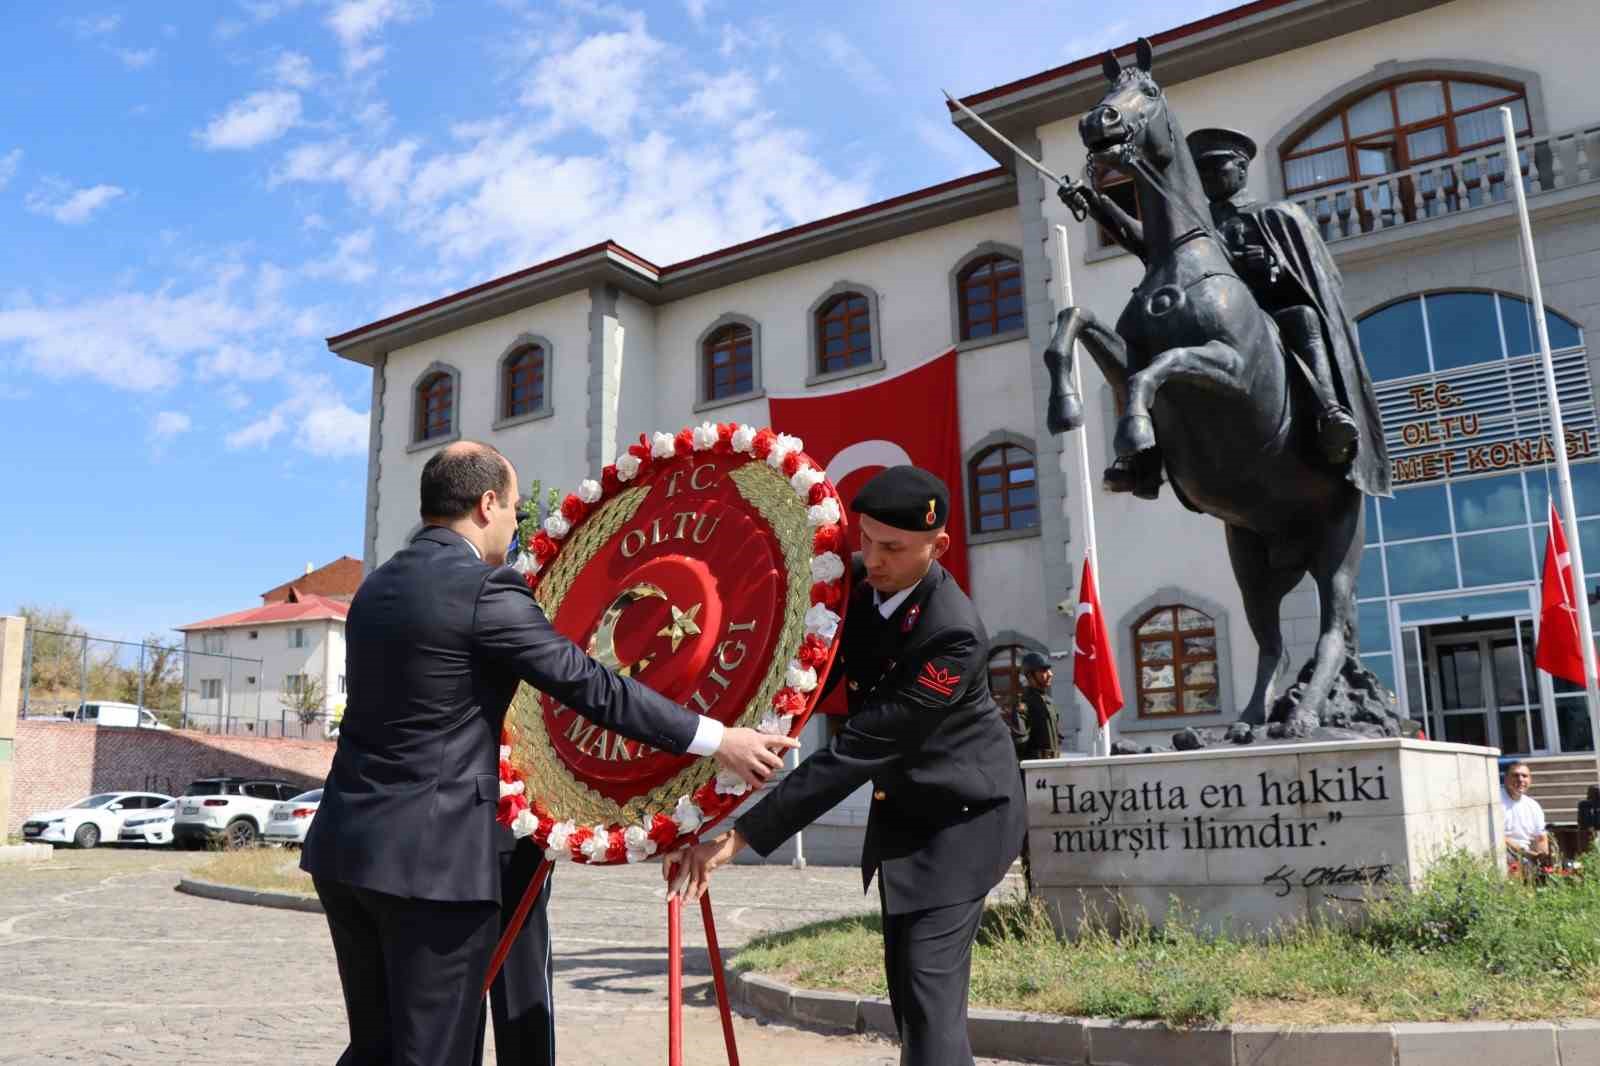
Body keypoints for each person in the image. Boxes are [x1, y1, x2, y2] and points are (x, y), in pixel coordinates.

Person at [301, 440, 797, 1066]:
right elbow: (592, 685)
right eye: (511, 508)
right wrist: (718, 738)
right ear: (486, 504)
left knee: (376, 1047)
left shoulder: (375, 589)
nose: (514, 524)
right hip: (431, 869)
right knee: (434, 1052)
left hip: (346, 851)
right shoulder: (482, 589)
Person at [665, 465, 1027, 1066]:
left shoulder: (952, 636)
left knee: (927, 995)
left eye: (893, 547)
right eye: (866, 540)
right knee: (913, 999)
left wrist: (739, 838)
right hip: (908, 814)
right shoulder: (861, 586)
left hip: (963, 821)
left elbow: (859, 748)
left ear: (938, 547)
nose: (874, 558)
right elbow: (805, 674)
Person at [1187, 127, 1386, 484]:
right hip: (1218, 323)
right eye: (1201, 171)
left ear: (1242, 170)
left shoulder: (1277, 214)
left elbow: (1318, 278)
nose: (1209, 178)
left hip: (1273, 314)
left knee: (1303, 318)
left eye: (1218, 168)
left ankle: (1330, 412)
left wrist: (1273, 268)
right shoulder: (1195, 228)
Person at [1014, 651, 1061, 761]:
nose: (1050, 674)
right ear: (1030, 675)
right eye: (1044, 670)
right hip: (1035, 769)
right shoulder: (1024, 703)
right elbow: (1020, 744)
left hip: (1055, 765)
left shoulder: (1050, 702)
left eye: (1049, 669)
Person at [1501, 760, 1551, 860]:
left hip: (1525, 858)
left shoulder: (1533, 806)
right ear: (1505, 778)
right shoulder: (1495, 802)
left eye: (1524, 776)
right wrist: (1526, 854)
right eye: (1515, 775)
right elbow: (1497, 836)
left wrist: (1542, 860)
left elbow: (1541, 838)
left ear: (1530, 780)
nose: (1520, 779)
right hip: (1500, 858)